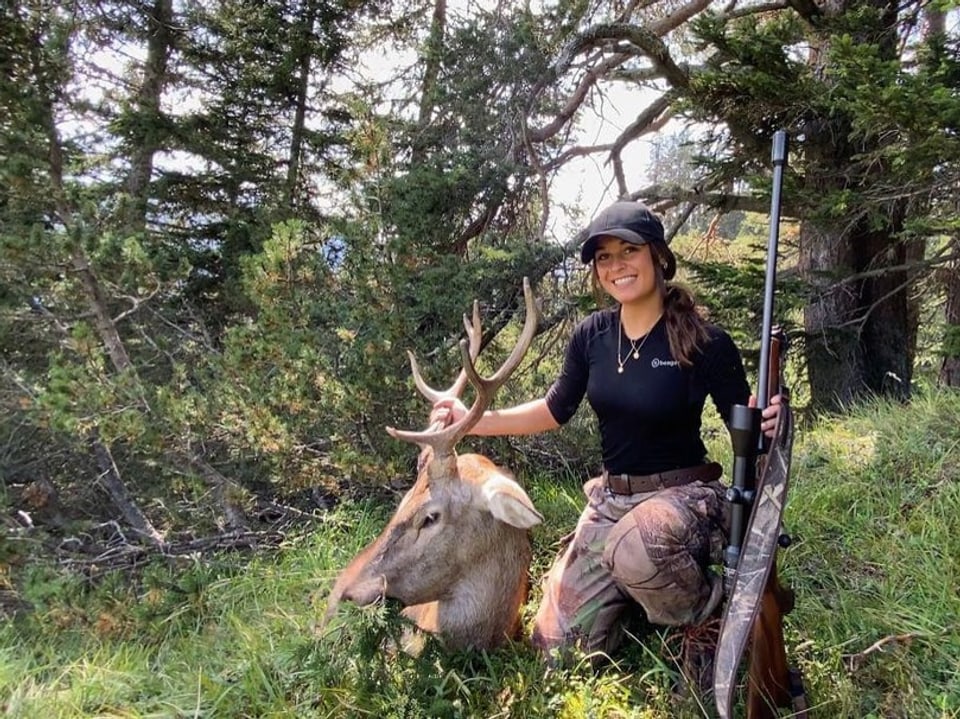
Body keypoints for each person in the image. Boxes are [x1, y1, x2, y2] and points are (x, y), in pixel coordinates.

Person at [430, 200, 781, 691]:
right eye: (604, 258)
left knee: (636, 549)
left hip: (684, 495)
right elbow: (554, 409)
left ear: (657, 255)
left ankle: (703, 618)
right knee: (555, 653)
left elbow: (745, 424)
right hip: (612, 502)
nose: (617, 266)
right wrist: (472, 422)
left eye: (628, 251)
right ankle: (637, 598)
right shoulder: (592, 336)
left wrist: (768, 421)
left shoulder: (704, 340)